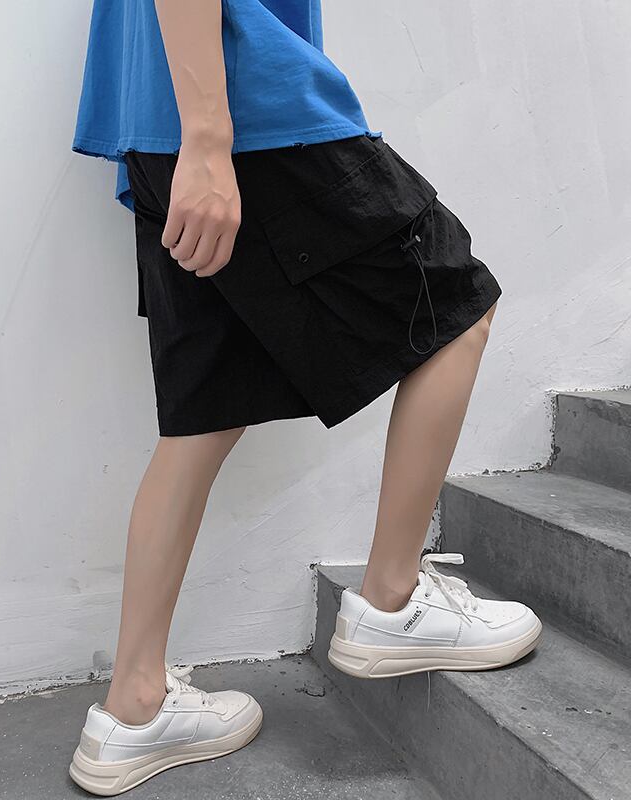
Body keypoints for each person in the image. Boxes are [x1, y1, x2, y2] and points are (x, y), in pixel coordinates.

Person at [68, 1, 542, 795]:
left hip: (154, 119)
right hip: (244, 112)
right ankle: (392, 601)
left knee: (206, 411)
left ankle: (134, 705)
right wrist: (210, 140)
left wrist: (195, 139)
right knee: (453, 306)